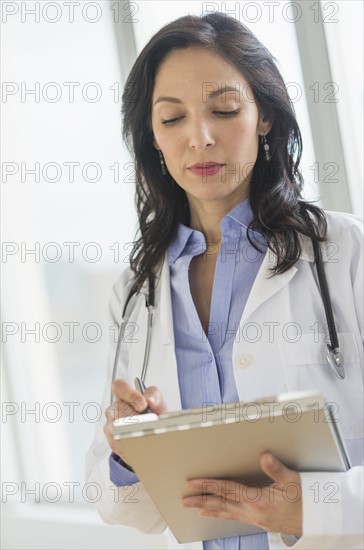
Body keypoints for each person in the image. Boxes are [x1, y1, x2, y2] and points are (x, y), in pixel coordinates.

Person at [85, 12, 363, 550]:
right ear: (152, 138)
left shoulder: (345, 255)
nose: (201, 138)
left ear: (264, 117)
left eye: (225, 109)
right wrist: (132, 448)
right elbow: (117, 504)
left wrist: (318, 506)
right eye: (172, 119)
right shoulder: (138, 289)